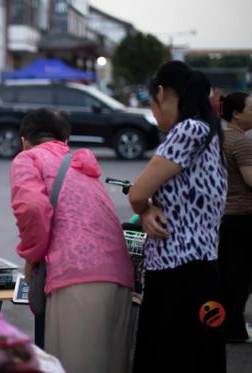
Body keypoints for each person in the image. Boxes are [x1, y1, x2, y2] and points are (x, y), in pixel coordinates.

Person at [10, 108, 133, 373]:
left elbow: (32, 208)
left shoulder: (28, 158)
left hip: (77, 276)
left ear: (24, 139)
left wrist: (31, 256)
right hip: (120, 276)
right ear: (66, 139)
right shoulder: (80, 163)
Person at [128, 61, 227, 372]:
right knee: (199, 355)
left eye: (151, 105)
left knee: (169, 356)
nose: (154, 115)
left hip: (176, 272)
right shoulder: (208, 131)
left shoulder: (187, 130)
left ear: (161, 93)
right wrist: (148, 208)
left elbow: (136, 193)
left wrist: (144, 207)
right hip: (202, 268)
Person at [218, 92, 252, 343]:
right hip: (242, 217)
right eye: (251, 107)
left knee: (228, 275)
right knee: (240, 278)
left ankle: (226, 325)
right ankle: (234, 329)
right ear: (237, 113)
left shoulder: (220, 137)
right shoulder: (241, 142)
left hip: (223, 216)